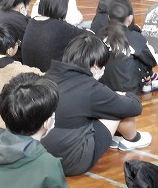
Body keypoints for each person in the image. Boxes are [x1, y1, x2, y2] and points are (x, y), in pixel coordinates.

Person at [42, 34, 151, 176]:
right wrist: (125, 94)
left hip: (43, 156)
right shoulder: (90, 87)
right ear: (94, 66)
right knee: (115, 108)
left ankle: (117, 137)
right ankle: (132, 139)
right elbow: (134, 107)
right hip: (71, 161)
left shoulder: (48, 75)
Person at [99, 0, 158, 95]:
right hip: (128, 90)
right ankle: (148, 82)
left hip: (101, 86)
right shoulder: (135, 37)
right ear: (130, 18)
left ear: (108, 18)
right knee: (143, 58)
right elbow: (154, 60)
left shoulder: (99, 34)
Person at [21, 0, 83, 72]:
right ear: (61, 7)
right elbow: (87, 35)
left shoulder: (31, 22)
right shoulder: (60, 27)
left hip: (29, 73)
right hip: (51, 77)